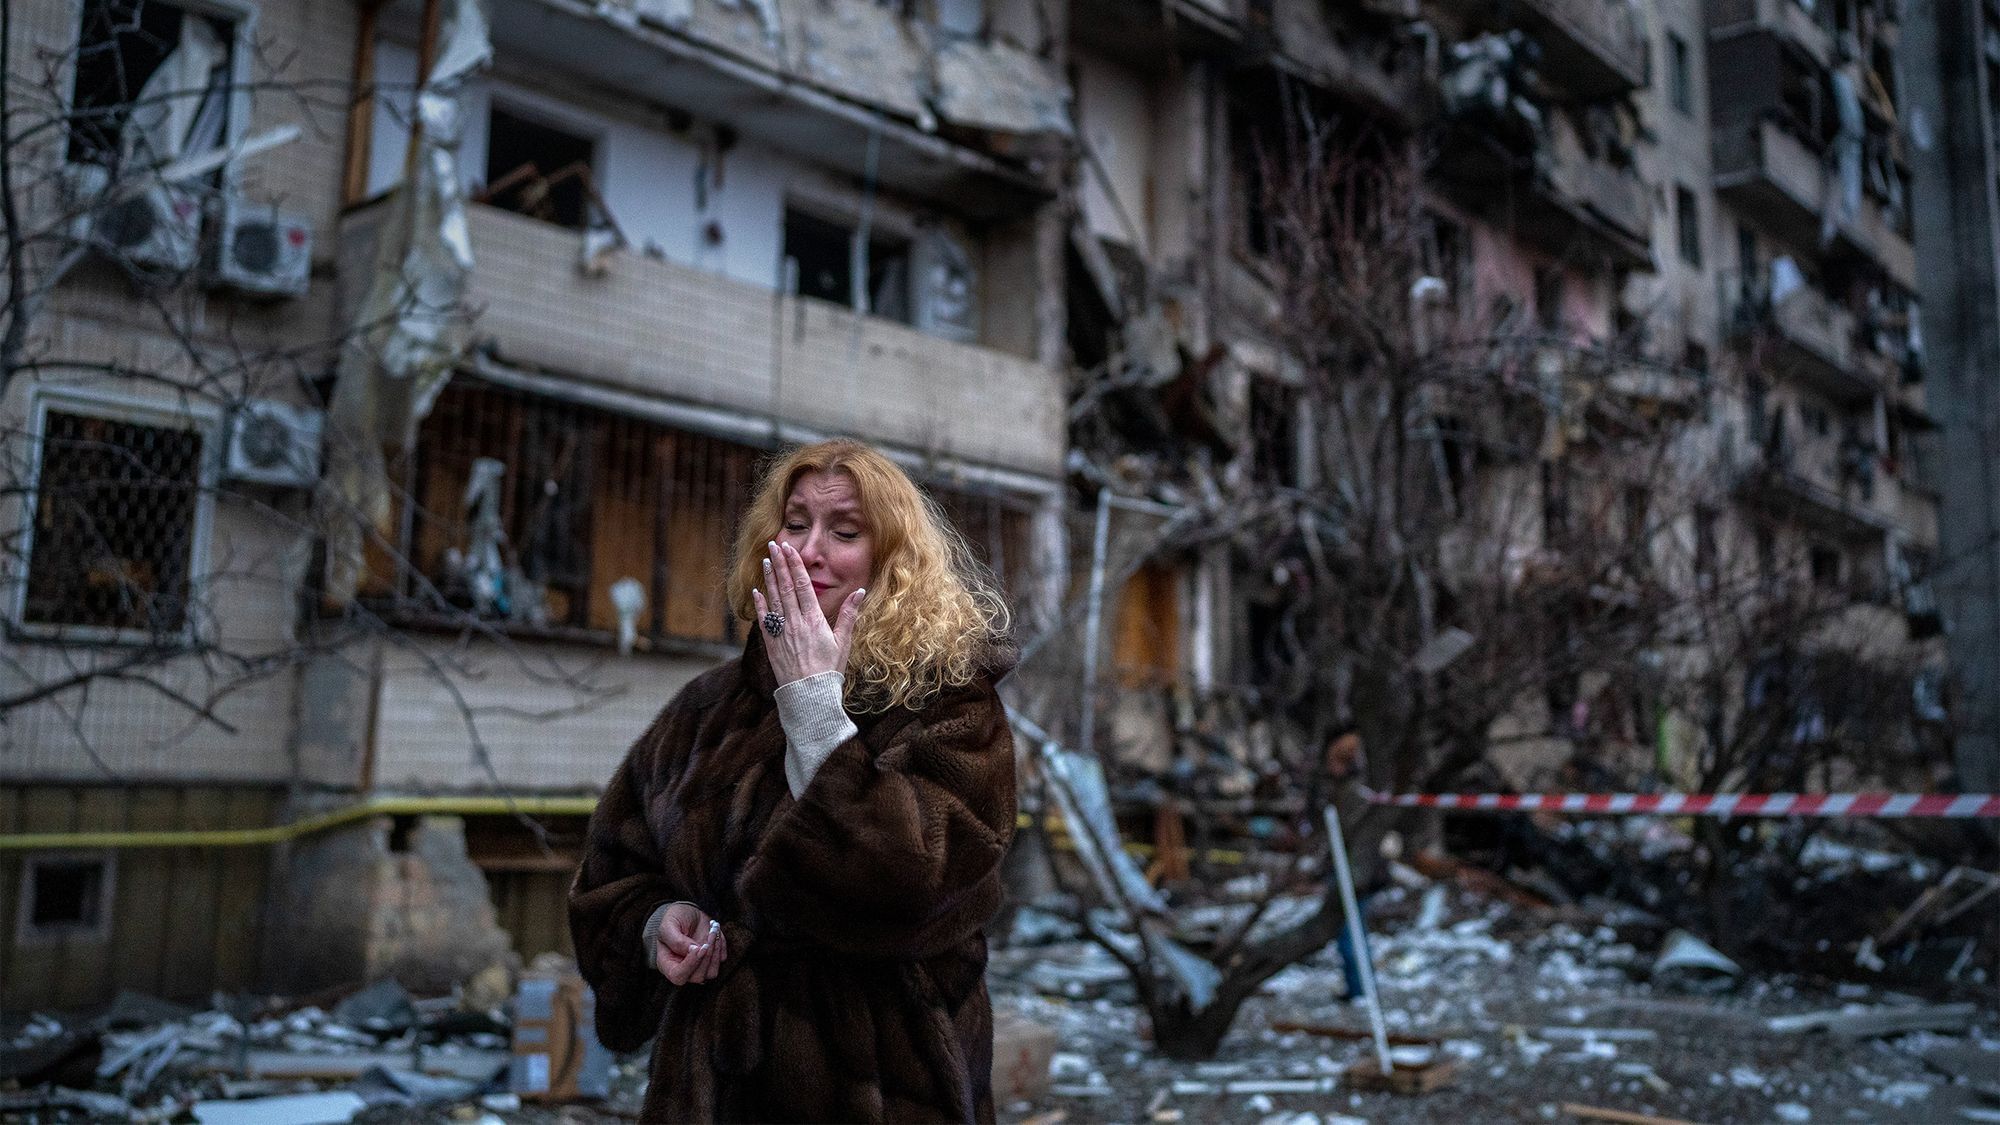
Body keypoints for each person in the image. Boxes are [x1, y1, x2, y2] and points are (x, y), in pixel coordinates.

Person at [569, 438, 1018, 1123]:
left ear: (893, 558)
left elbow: (917, 881)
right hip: (713, 1089)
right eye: (795, 522)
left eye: (844, 531)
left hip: (885, 1083)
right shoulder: (707, 707)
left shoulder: (952, 704)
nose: (809, 549)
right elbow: (612, 872)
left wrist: (813, 708)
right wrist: (658, 924)